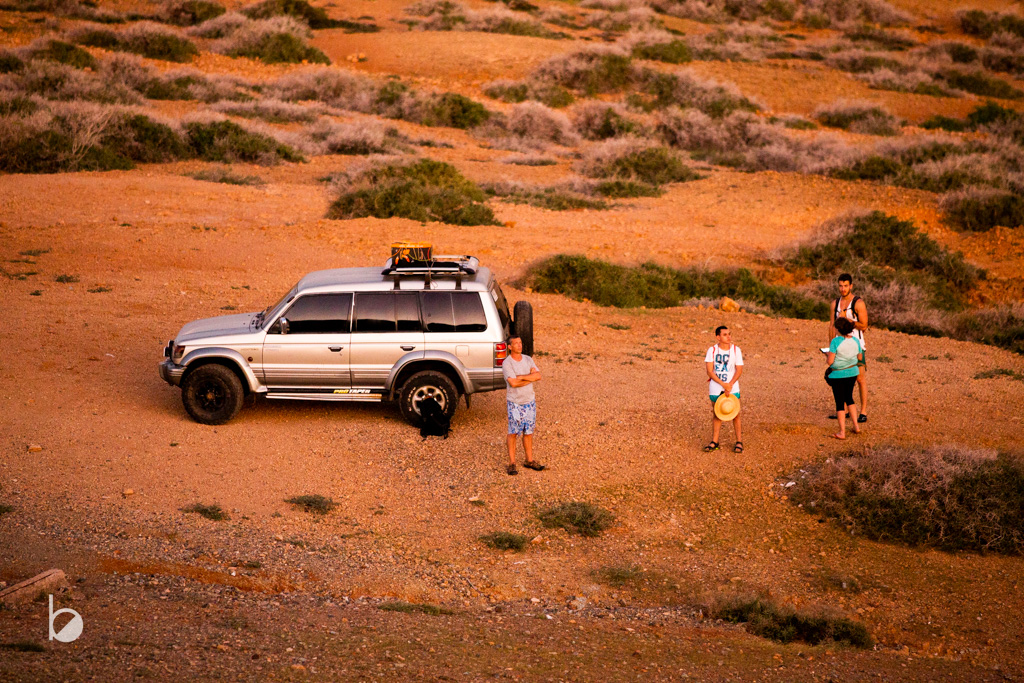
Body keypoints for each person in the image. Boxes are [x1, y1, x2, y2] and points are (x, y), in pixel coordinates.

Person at [828, 273, 868, 423]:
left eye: (845, 286)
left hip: (857, 345)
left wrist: (848, 320)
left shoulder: (858, 303)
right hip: (840, 346)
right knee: (842, 378)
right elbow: (832, 326)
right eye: (840, 286)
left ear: (851, 286)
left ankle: (863, 412)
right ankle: (844, 410)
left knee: (859, 378)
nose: (843, 289)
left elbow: (864, 325)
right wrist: (831, 346)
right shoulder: (835, 304)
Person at [502, 334, 544, 475]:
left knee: (528, 431)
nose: (520, 345)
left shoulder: (528, 359)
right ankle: (512, 463)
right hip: (515, 403)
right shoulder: (507, 363)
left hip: (529, 402)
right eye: (516, 343)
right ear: (510, 347)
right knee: (513, 432)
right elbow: (513, 383)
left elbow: (538, 376)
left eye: (520, 342)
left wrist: (522, 377)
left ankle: (529, 460)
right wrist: (530, 378)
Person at [704, 325, 744, 453]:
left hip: (733, 387)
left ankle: (739, 441)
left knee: (735, 414)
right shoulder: (712, 350)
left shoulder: (736, 350)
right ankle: (714, 441)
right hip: (716, 387)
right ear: (718, 337)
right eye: (725, 334)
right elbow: (710, 371)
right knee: (717, 414)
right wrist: (723, 384)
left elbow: (739, 370)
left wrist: (729, 385)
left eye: (729, 334)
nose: (728, 337)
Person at [825, 317, 863, 439]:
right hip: (852, 372)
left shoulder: (835, 342)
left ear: (838, 329)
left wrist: (827, 354)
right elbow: (860, 358)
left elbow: (830, 362)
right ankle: (856, 426)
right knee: (849, 398)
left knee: (840, 402)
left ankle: (842, 432)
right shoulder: (856, 340)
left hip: (838, 374)